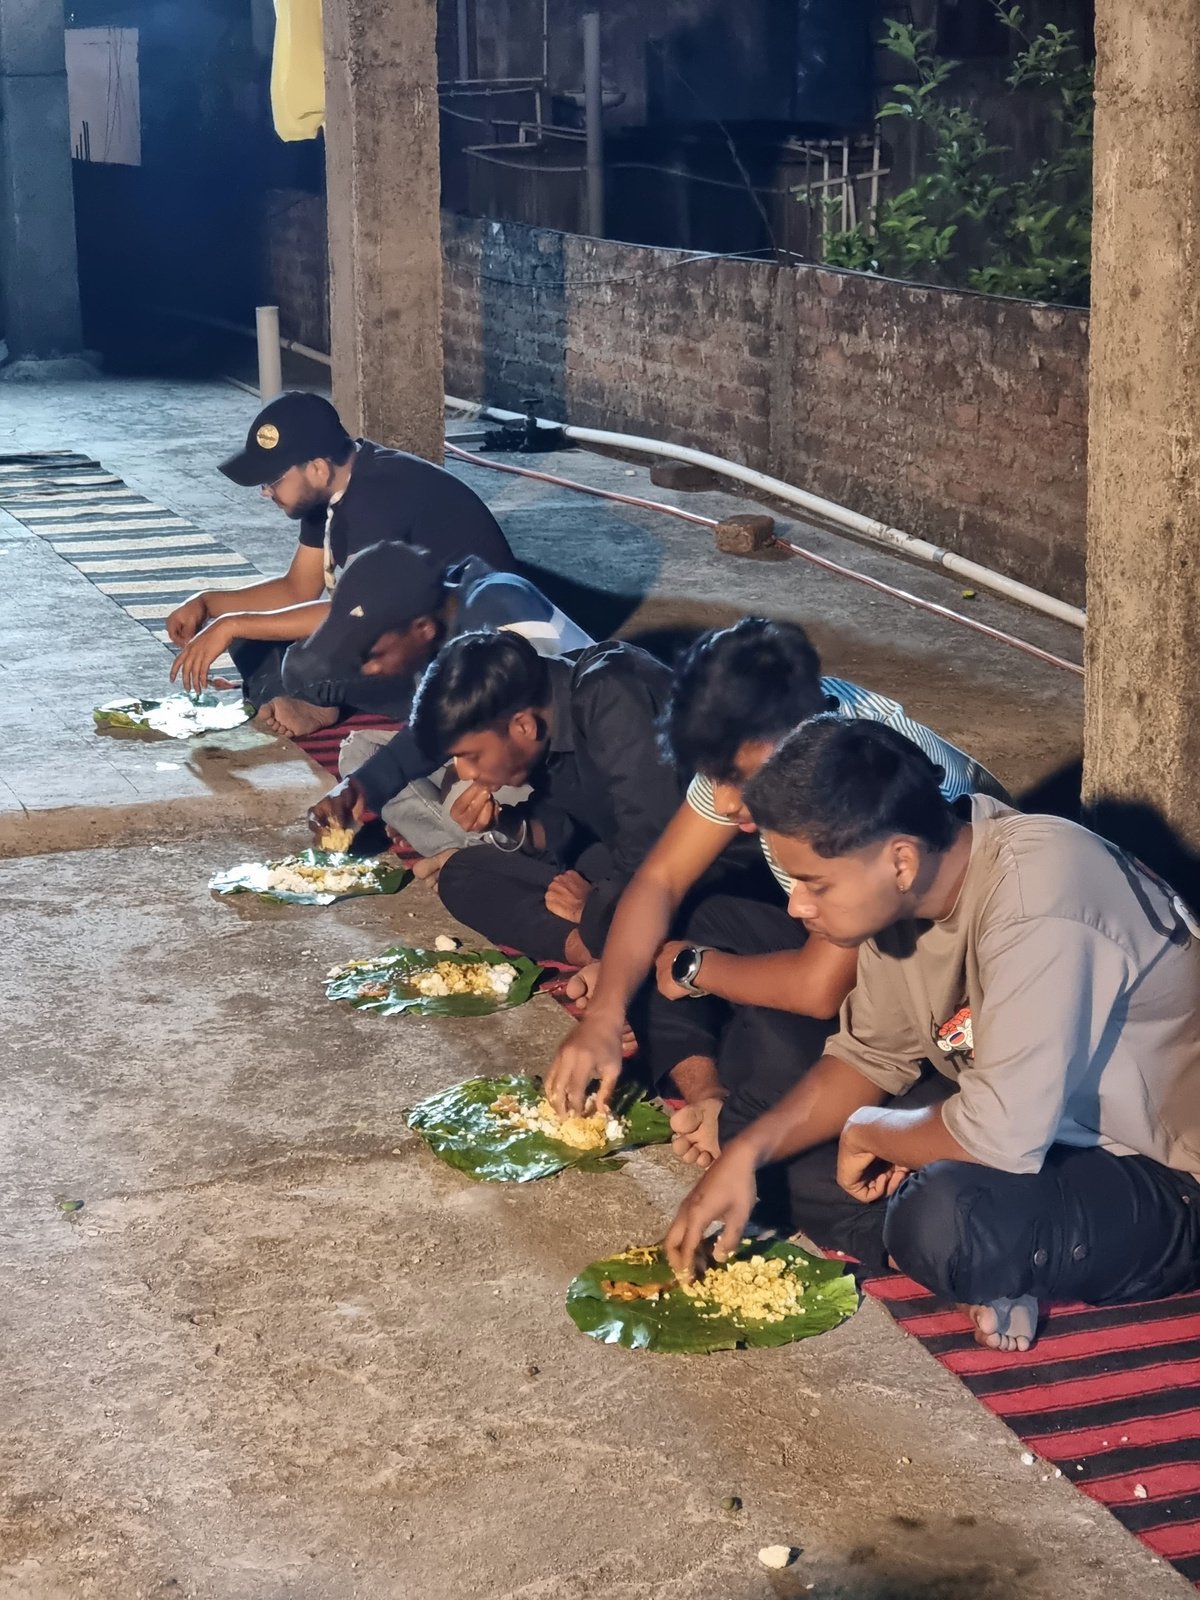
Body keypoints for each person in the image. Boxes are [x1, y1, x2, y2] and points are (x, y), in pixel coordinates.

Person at [665, 716, 1200, 1354]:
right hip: (1030, 1131)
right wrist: (743, 1155)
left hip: (1162, 1171)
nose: (797, 906)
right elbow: (867, 1057)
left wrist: (871, 1131)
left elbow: (996, 1133)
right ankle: (968, 1259)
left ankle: (986, 1262)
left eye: (815, 884)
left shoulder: (1040, 894)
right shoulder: (910, 895)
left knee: (946, 1219)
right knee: (770, 1136)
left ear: (900, 859)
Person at [546, 618, 1007, 1171]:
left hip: (945, 1016)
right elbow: (659, 880)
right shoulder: (769, 741)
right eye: (713, 776)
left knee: (771, 1050)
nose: (725, 803)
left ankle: (726, 1102)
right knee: (649, 928)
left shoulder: (864, 781)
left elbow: (820, 990)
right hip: (846, 949)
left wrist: (696, 969)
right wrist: (603, 1014)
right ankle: (711, 1092)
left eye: (736, 777)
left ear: (792, 740)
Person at [164, 391, 515, 736]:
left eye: (272, 481)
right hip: (403, 632)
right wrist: (210, 605)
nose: (265, 492)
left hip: (473, 658)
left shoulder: (376, 498)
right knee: (251, 636)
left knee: (300, 664)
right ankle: (295, 696)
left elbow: (356, 616)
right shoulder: (330, 488)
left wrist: (231, 624)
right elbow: (297, 588)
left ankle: (310, 700)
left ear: (317, 468)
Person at [407, 630, 683, 966]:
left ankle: (628, 957)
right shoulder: (545, 704)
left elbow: (656, 844)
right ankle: (590, 950)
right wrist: (504, 824)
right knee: (461, 871)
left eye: (472, 756)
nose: (465, 773)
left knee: (600, 889)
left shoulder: (612, 694)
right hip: (620, 860)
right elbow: (568, 826)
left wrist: (592, 909)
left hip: (694, 879)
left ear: (523, 726)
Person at [303, 542, 593, 859]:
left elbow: (538, 744)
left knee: (461, 804)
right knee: (359, 753)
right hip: (493, 749)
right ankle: (455, 842)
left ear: (422, 628)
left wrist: (464, 778)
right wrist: (358, 788)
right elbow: (440, 729)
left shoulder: (501, 613)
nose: (369, 669)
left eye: (373, 655)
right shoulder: (444, 612)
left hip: (558, 773)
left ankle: (462, 857)